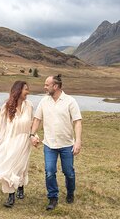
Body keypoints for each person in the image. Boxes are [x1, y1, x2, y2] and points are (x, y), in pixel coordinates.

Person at [30, 74, 82, 210]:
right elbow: (37, 119)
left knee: (69, 172)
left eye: (47, 85)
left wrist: (78, 141)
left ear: (56, 86)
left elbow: (77, 122)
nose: (44, 87)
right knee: (49, 171)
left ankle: (70, 193)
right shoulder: (44, 101)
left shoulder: (70, 101)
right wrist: (32, 134)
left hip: (67, 145)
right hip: (49, 145)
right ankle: (53, 198)